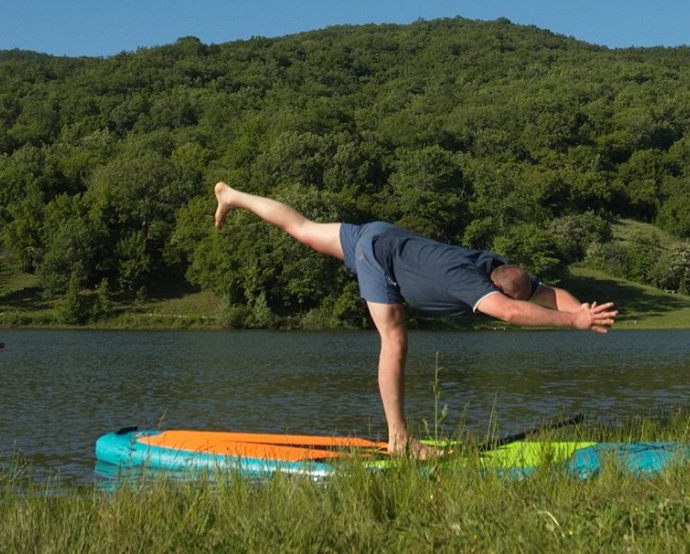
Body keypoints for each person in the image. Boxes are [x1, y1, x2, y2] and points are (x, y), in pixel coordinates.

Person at [212, 182, 617, 459]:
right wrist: (571, 324)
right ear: (492, 288)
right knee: (395, 340)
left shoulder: (496, 267)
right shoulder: (470, 281)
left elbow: (547, 295)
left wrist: (581, 312)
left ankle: (232, 195)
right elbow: (510, 311)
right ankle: (399, 440)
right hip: (380, 257)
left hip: (381, 234)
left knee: (301, 227)